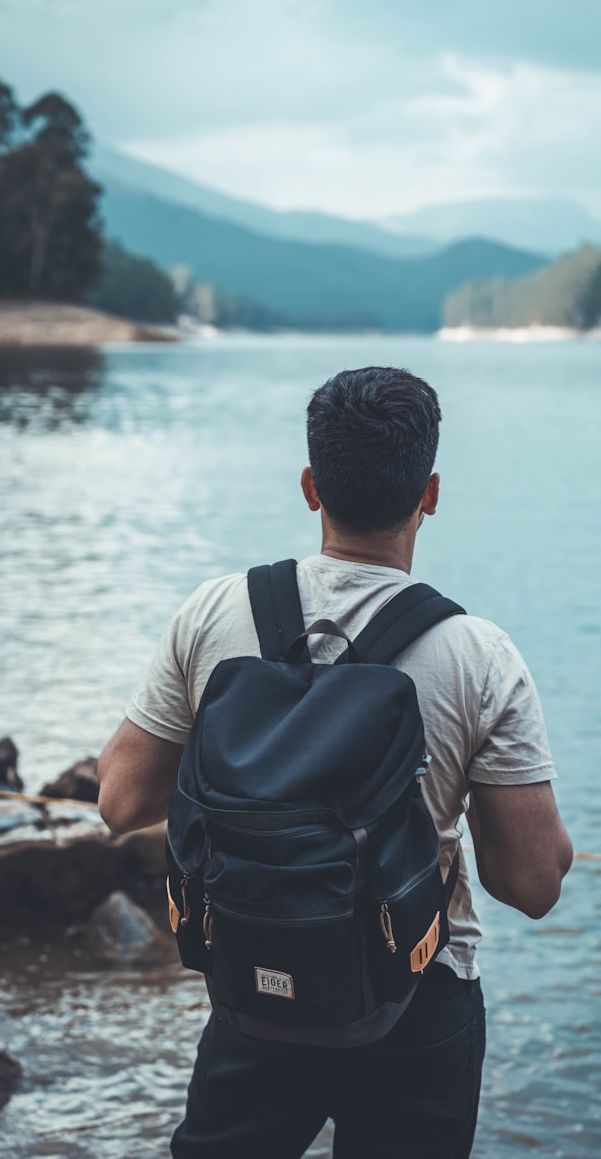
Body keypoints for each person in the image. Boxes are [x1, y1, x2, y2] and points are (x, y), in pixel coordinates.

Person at [97, 364, 573, 1159]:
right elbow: (531, 884)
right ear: (430, 493)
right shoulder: (478, 655)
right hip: (417, 996)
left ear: (311, 485)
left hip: (252, 984)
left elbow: (119, 801)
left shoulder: (214, 613)